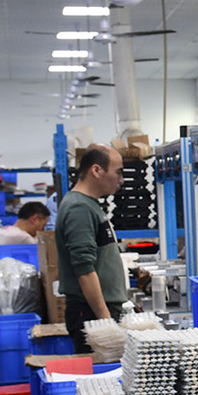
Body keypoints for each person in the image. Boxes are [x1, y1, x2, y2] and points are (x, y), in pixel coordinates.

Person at [56, 145, 127, 353]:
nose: (121, 180)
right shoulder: (79, 208)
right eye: (118, 172)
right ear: (96, 170)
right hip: (92, 315)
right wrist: (106, 322)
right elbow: (84, 270)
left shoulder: (89, 204)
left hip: (97, 313)